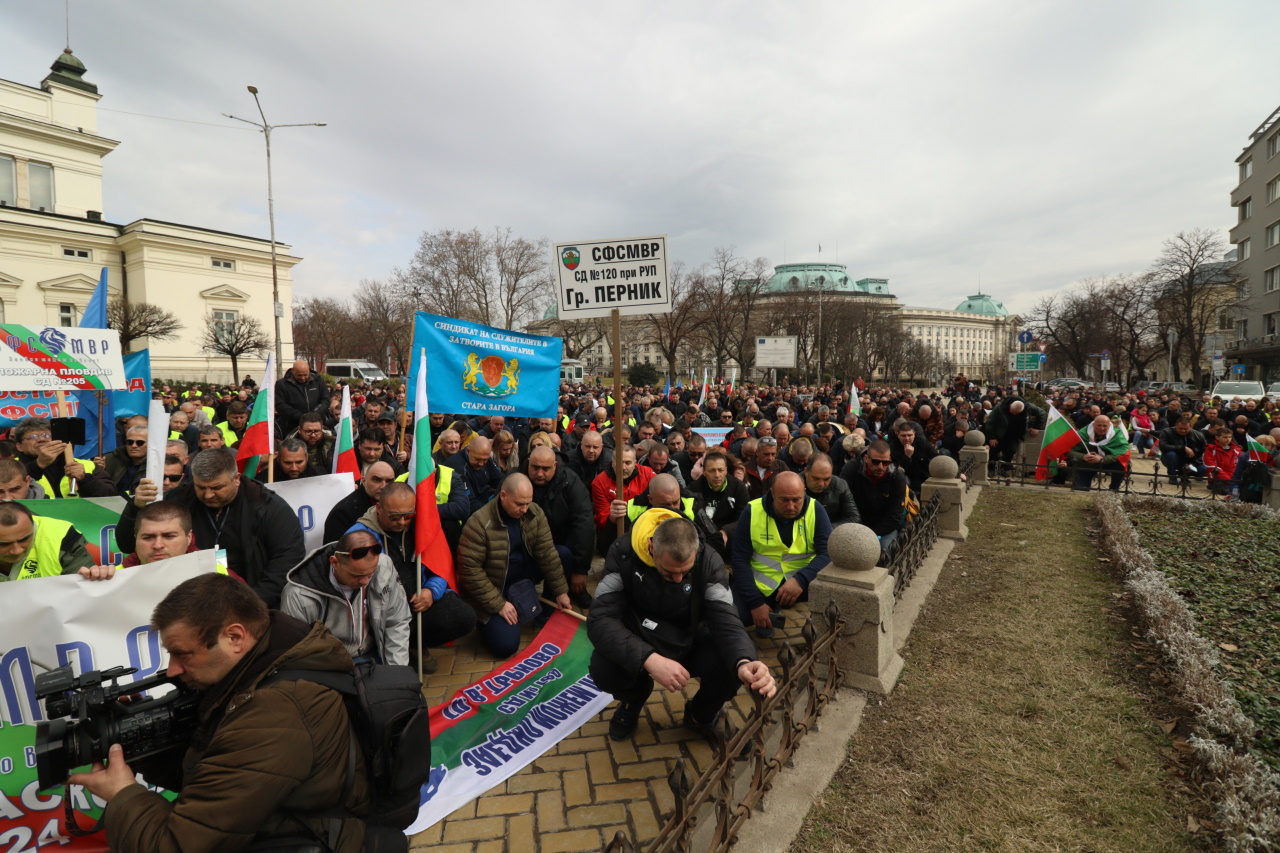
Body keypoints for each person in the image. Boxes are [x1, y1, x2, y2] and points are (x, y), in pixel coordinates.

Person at [69, 573, 371, 852]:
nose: (172, 669)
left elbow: (176, 845)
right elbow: (217, 774)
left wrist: (122, 794)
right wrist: (142, 741)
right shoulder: (269, 662)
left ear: (235, 638)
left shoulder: (275, 711)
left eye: (183, 654)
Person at [588, 512, 776, 741]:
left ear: (695, 552)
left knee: (731, 664)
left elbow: (726, 620)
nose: (678, 579)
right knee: (603, 668)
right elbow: (600, 619)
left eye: (685, 572)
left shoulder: (709, 560)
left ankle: (700, 715)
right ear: (651, 548)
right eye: (669, 572)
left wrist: (745, 660)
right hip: (639, 635)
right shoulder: (623, 553)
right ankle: (634, 698)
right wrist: (648, 659)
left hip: (689, 637)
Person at [115, 448, 305, 607]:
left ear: (236, 478)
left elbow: (286, 562)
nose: (208, 495)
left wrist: (251, 605)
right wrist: (135, 506)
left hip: (251, 601)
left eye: (217, 487)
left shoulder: (269, 507)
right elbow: (128, 545)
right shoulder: (179, 499)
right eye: (201, 487)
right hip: (187, 601)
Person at [344, 483, 475, 667]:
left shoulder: (421, 528)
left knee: (464, 617)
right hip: (380, 613)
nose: (402, 522)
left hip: (417, 605)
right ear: (379, 507)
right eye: (395, 516)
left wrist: (431, 591)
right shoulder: (359, 536)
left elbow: (440, 565)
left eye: (408, 515)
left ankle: (414, 645)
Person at [458, 473, 572, 657]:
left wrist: (561, 591)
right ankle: (485, 621)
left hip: (523, 575)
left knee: (562, 554)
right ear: (503, 496)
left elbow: (547, 553)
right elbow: (470, 573)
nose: (525, 509)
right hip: (496, 586)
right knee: (506, 647)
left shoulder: (534, 512)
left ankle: (544, 614)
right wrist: (499, 604)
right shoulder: (479, 523)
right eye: (519, 504)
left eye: (528, 503)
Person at [281, 528, 411, 666]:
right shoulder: (297, 595)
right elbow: (296, 652)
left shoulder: (383, 566)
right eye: (356, 575)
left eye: (370, 574)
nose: (365, 582)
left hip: (373, 653)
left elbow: (396, 622)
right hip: (327, 665)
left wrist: (396, 671)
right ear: (335, 562)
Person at [731, 472, 831, 638]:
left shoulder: (816, 510)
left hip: (804, 582)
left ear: (804, 492)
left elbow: (828, 553)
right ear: (772, 493)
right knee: (734, 616)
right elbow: (739, 560)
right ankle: (767, 611)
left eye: (796, 500)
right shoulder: (752, 511)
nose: (791, 506)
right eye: (784, 500)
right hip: (762, 584)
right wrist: (756, 604)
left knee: (834, 597)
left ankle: (817, 636)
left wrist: (800, 580)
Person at [526, 446, 596, 609]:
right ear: (528, 463)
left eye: (546, 468)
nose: (540, 473)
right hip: (528, 542)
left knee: (564, 553)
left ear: (556, 465)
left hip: (562, 539)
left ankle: (566, 591)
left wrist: (580, 569)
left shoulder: (570, 481)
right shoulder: (516, 479)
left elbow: (584, 524)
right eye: (535, 467)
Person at [13, 417, 116, 498]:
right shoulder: (9, 467)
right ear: (19, 446)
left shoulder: (87, 465)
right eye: (32, 437)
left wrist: (85, 479)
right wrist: (38, 465)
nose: (41, 440)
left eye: (47, 435)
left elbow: (110, 496)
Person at [841, 440, 907, 563]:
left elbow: (894, 515)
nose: (880, 467)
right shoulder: (851, 469)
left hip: (884, 526)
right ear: (866, 458)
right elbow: (843, 500)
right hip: (856, 522)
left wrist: (871, 535)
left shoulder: (897, 478)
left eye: (886, 462)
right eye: (876, 462)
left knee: (883, 554)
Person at [0, 501, 93, 581]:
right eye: (3, 544)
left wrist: (94, 575)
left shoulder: (61, 536)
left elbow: (85, 588)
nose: (17, 550)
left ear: (34, 527)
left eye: (24, 539)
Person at [591, 445, 655, 554]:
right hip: (614, 528)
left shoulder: (647, 474)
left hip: (643, 526)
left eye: (628, 463)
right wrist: (611, 516)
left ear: (635, 463)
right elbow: (601, 519)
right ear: (612, 462)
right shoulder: (599, 482)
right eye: (619, 462)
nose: (623, 468)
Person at [688, 451, 750, 559]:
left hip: (731, 540)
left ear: (726, 470)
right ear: (704, 472)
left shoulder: (739, 488)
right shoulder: (692, 490)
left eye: (720, 470)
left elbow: (744, 518)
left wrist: (726, 531)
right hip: (703, 540)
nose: (717, 475)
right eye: (712, 470)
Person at [323, 461, 397, 542]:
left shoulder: (397, 506)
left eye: (389, 481)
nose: (384, 486)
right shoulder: (342, 513)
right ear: (364, 481)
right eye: (377, 480)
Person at [983, 397, 1045, 477]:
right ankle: (992, 468)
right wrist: (992, 437)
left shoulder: (1028, 407)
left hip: (1014, 435)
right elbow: (990, 423)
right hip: (999, 434)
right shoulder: (999, 408)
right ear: (1010, 406)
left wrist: (1037, 427)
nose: (1014, 414)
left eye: (1017, 413)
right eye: (1013, 412)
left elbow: (1042, 413)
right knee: (994, 449)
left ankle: (1004, 468)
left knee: (1011, 450)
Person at [446, 435, 504, 515]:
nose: (481, 463)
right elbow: (470, 505)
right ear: (468, 451)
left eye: (485, 460)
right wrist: (494, 512)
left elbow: (499, 480)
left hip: (487, 499)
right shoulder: (458, 468)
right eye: (477, 459)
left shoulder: (483, 456)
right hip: (472, 512)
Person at [275, 359, 328, 438]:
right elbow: (281, 405)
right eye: (299, 375)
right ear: (292, 371)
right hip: (292, 426)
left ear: (309, 371)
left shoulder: (318, 380)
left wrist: (314, 415)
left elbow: (325, 399)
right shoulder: (281, 385)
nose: (303, 378)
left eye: (305, 375)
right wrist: (302, 417)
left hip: (316, 424)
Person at [804, 452, 859, 526]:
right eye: (816, 478)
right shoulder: (794, 485)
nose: (821, 484)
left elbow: (854, 518)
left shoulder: (840, 485)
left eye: (826, 479)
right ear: (806, 472)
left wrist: (826, 530)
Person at [100, 424, 149, 498]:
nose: (134, 445)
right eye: (130, 442)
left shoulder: (158, 463)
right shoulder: (110, 459)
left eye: (140, 442)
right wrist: (98, 470)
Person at [1155, 416, 1207, 483]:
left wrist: (1194, 464)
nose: (1183, 431)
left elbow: (1205, 451)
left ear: (1191, 426)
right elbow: (1163, 446)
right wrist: (1183, 448)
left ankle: (1184, 475)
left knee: (1203, 470)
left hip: (1192, 461)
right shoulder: (1167, 432)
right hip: (1175, 458)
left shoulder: (1199, 435)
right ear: (1175, 426)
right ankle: (1172, 476)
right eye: (1180, 428)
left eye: (1186, 429)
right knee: (1171, 455)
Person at [255, 438, 325, 482]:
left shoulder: (321, 477)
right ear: (278, 458)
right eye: (288, 463)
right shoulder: (264, 479)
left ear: (306, 457)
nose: (294, 468)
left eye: (299, 462)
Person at [744, 435, 787, 500]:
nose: (770, 458)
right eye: (766, 454)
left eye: (773, 454)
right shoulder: (745, 468)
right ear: (757, 452)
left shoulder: (781, 466)